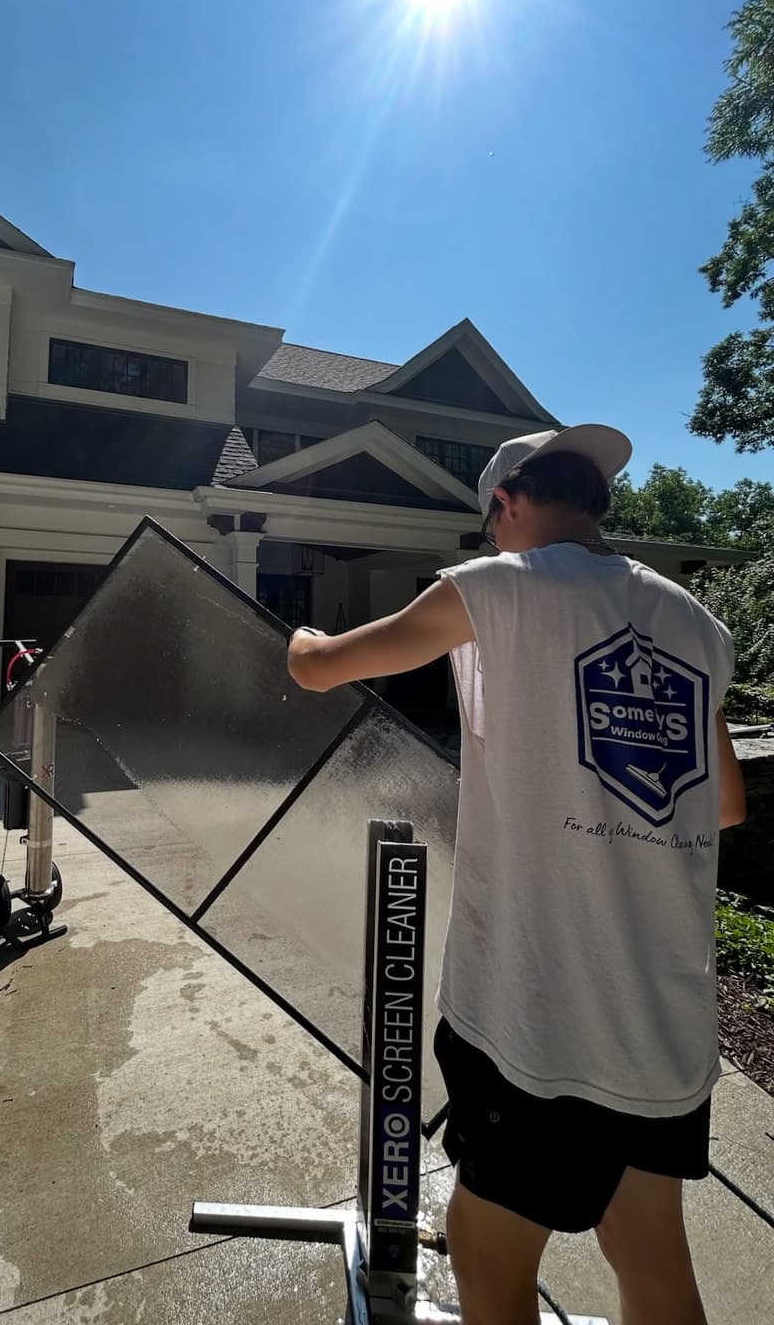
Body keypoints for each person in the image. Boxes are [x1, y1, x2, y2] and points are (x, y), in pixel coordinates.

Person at [286, 425, 747, 1325]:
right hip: (662, 1026)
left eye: (490, 521)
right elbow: (724, 804)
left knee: (488, 1251)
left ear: (507, 503)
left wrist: (302, 640)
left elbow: (326, 668)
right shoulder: (699, 627)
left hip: (541, 1025)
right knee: (649, 1252)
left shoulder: (494, 587)